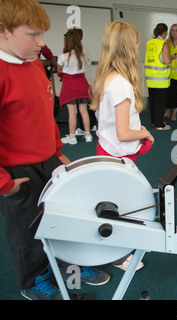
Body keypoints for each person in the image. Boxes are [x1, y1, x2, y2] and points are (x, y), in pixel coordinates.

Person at [0, 0, 109, 300]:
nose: (42, 43)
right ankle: (35, 281)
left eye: (43, 34)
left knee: (64, 215)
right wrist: (3, 183)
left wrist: (57, 149)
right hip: (17, 170)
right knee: (28, 230)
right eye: (33, 35)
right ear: (3, 32)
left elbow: (44, 115)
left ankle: (68, 264)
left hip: (49, 158)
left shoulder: (33, 64)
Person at [91, 21, 154, 270]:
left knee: (122, 200)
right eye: (137, 45)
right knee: (116, 205)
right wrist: (145, 133)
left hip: (110, 152)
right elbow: (123, 132)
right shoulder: (121, 84)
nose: (138, 49)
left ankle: (128, 239)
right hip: (116, 155)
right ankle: (115, 256)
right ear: (129, 48)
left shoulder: (109, 78)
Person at [57, 28, 93, 145]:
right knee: (84, 111)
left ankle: (72, 137)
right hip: (82, 85)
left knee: (72, 113)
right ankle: (88, 135)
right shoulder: (83, 56)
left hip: (69, 86)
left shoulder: (63, 57)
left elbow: (59, 69)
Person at [145, 23, 172, 130]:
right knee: (160, 102)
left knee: (152, 101)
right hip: (160, 79)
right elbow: (166, 60)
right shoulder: (163, 44)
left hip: (150, 78)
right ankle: (159, 124)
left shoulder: (149, 43)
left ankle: (154, 121)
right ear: (165, 32)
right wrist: (172, 58)